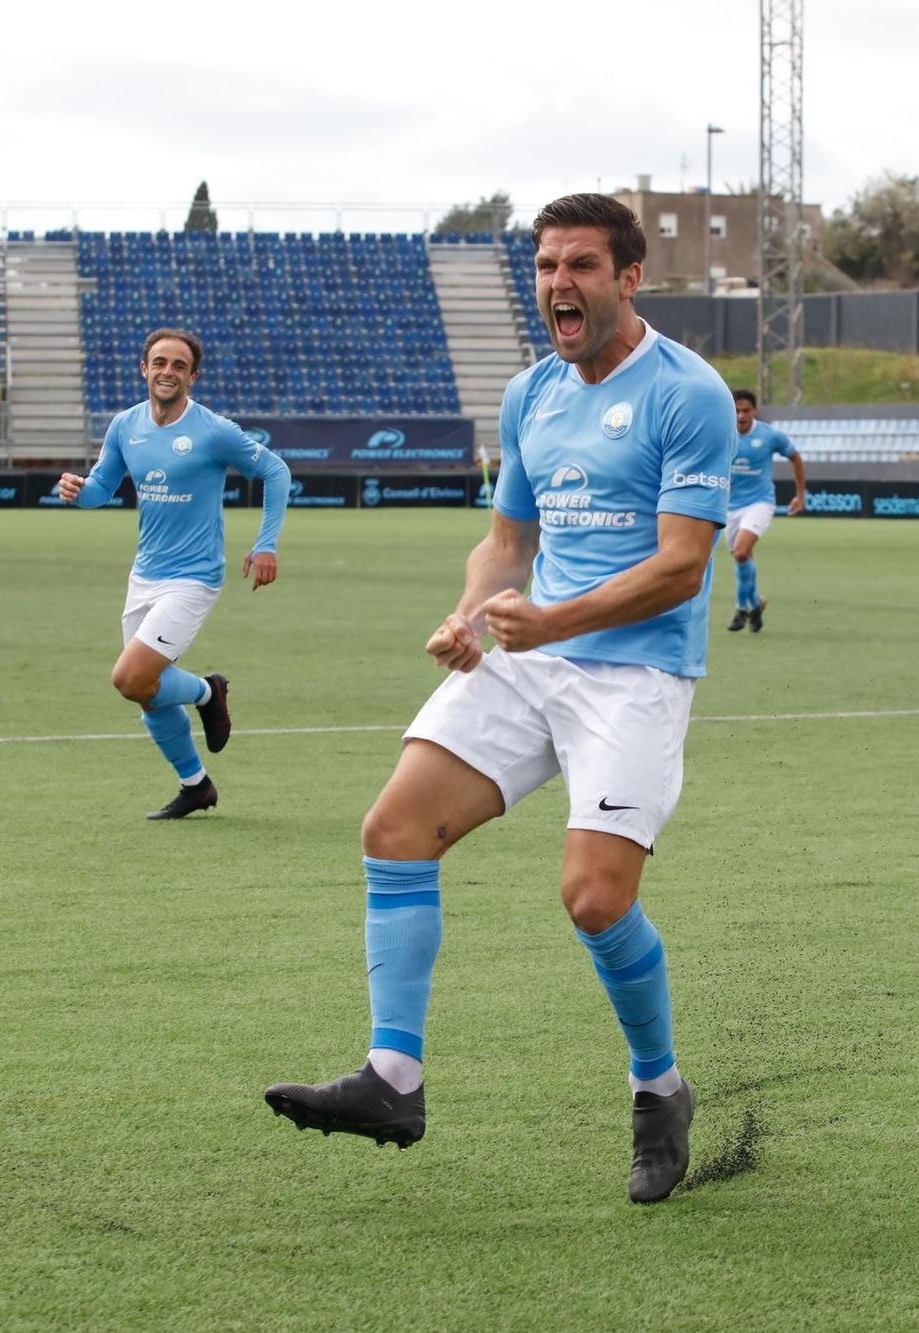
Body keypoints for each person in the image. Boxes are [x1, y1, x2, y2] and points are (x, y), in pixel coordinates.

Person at [263, 194, 732, 1204]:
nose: (559, 283)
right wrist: (468, 614)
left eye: (580, 266)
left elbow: (682, 567)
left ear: (627, 278)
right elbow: (507, 540)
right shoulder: (531, 394)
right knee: (393, 827)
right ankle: (393, 1078)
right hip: (528, 655)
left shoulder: (684, 393)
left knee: (595, 898)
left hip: (634, 674)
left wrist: (550, 622)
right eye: (546, 266)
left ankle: (659, 1089)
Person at [56, 329, 291, 819]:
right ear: (144, 368)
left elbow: (276, 471)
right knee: (146, 693)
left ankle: (208, 691)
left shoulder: (212, 430)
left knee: (129, 677)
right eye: (159, 362)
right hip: (144, 574)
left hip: (194, 577)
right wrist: (80, 490)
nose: (168, 371)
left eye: (179, 365)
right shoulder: (125, 425)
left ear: (192, 375)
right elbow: (102, 489)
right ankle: (196, 784)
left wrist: (266, 543)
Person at [725, 388, 805, 632]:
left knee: (740, 552)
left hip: (759, 502)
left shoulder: (769, 436)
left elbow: (795, 458)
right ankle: (756, 603)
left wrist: (800, 494)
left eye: (745, 410)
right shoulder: (722, 432)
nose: (740, 415)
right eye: (737, 410)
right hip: (729, 507)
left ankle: (741, 608)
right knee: (743, 557)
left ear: (755, 411)